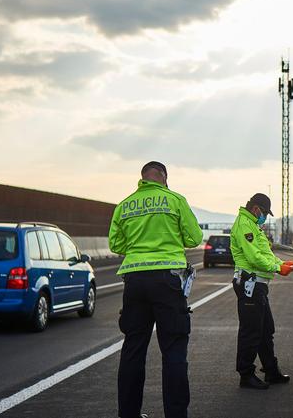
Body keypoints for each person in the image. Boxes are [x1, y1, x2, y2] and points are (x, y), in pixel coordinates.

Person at [109, 161, 203, 418]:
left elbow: (116, 244)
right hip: (167, 280)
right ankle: (175, 414)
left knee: (133, 348)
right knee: (173, 349)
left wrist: (140, 245)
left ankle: (128, 413)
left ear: (142, 178)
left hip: (134, 281)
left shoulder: (124, 205)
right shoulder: (175, 200)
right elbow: (194, 238)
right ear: (164, 177)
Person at [229, 193, 293, 389]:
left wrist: (282, 263)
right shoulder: (244, 224)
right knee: (251, 331)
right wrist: (277, 268)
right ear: (256, 209)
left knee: (265, 330)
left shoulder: (253, 225)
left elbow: (264, 254)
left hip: (258, 285)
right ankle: (246, 375)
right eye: (265, 213)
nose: (265, 216)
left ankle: (271, 370)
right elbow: (253, 257)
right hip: (249, 284)